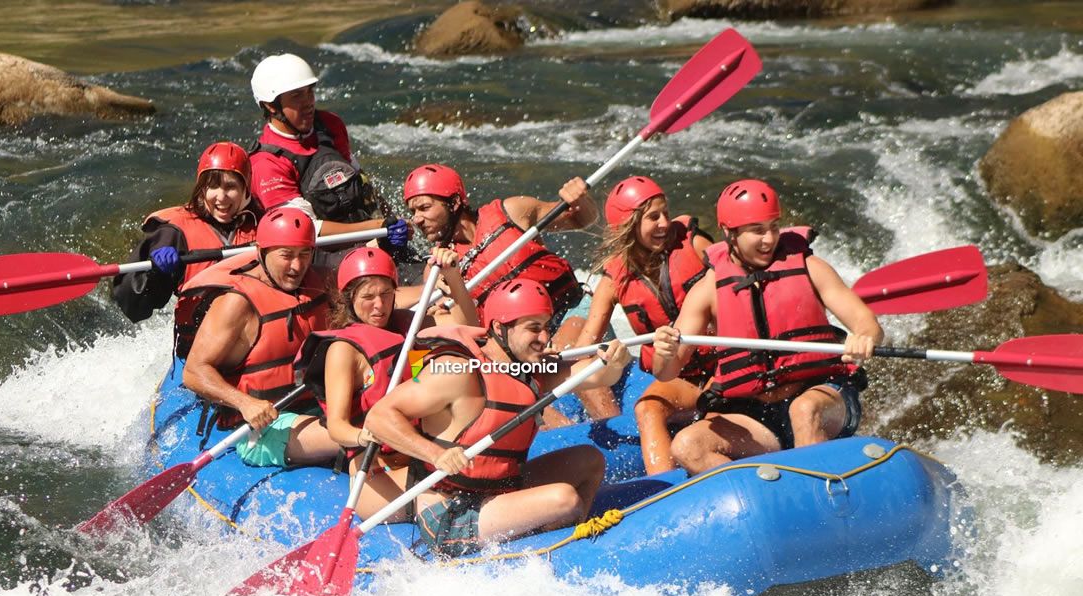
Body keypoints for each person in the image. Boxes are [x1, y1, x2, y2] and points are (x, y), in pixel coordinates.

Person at [365, 278, 632, 558]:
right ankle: (544, 553)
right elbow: (379, 416)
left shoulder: (534, 365)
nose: (544, 339)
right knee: (563, 498)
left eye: (546, 326)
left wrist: (615, 362)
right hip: (451, 511)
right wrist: (434, 454)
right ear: (498, 328)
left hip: (500, 491)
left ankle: (567, 545)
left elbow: (596, 373)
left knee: (589, 460)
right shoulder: (456, 372)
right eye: (533, 328)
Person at [652, 179, 882, 473]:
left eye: (774, 227)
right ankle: (763, 502)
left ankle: (817, 498)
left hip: (822, 395)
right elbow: (667, 370)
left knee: (804, 410)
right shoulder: (709, 289)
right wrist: (666, 351)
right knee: (688, 445)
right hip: (757, 416)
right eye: (757, 231)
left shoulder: (810, 267)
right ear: (729, 232)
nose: (769, 239)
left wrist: (863, 338)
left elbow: (867, 323)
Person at [296, 246, 478, 517]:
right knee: (457, 505)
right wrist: (362, 435)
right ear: (348, 298)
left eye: (386, 294)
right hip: (375, 473)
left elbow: (469, 327)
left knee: (478, 485)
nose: (379, 306)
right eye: (368, 297)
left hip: (419, 456)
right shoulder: (343, 350)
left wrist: (453, 277)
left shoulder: (412, 325)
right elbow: (336, 426)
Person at [573, 175, 716, 473]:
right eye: (653, 217)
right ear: (629, 226)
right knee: (647, 407)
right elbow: (584, 348)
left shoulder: (695, 245)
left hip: (725, 364)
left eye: (665, 212)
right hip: (681, 374)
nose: (664, 223)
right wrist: (605, 360)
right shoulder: (615, 278)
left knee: (714, 411)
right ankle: (663, 489)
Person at [176, 206, 339, 467]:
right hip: (262, 427)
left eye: (304, 254)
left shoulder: (319, 282)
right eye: (286, 255)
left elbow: (383, 299)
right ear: (262, 252)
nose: (297, 266)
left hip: (316, 406)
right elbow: (194, 372)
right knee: (354, 437)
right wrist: (246, 403)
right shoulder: (237, 304)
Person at [248, 53, 409, 268]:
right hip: (317, 258)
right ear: (271, 106)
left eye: (310, 92)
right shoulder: (266, 162)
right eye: (297, 96)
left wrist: (393, 222)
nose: (308, 103)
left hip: (368, 236)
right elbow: (306, 228)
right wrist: (377, 227)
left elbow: (362, 183)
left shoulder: (330, 124)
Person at [401, 163, 593, 339]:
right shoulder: (438, 268)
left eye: (424, 208)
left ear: (455, 202)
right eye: (413, 212)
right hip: (520, 343)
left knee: (562, 350)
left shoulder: (511, 212)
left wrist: (579, 200)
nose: (417, 219)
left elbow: (581, 219)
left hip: (570, 309)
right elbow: (468, 327)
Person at [112, 141, 258, 322]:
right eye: (212, 186)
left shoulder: (263, 224)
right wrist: (156, 275)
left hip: (251, 334)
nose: (221, 197)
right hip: (199, 343)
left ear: (245, 188)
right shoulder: (173, 233)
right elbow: (132, 308)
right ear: (201, 189)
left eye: (230, 187)